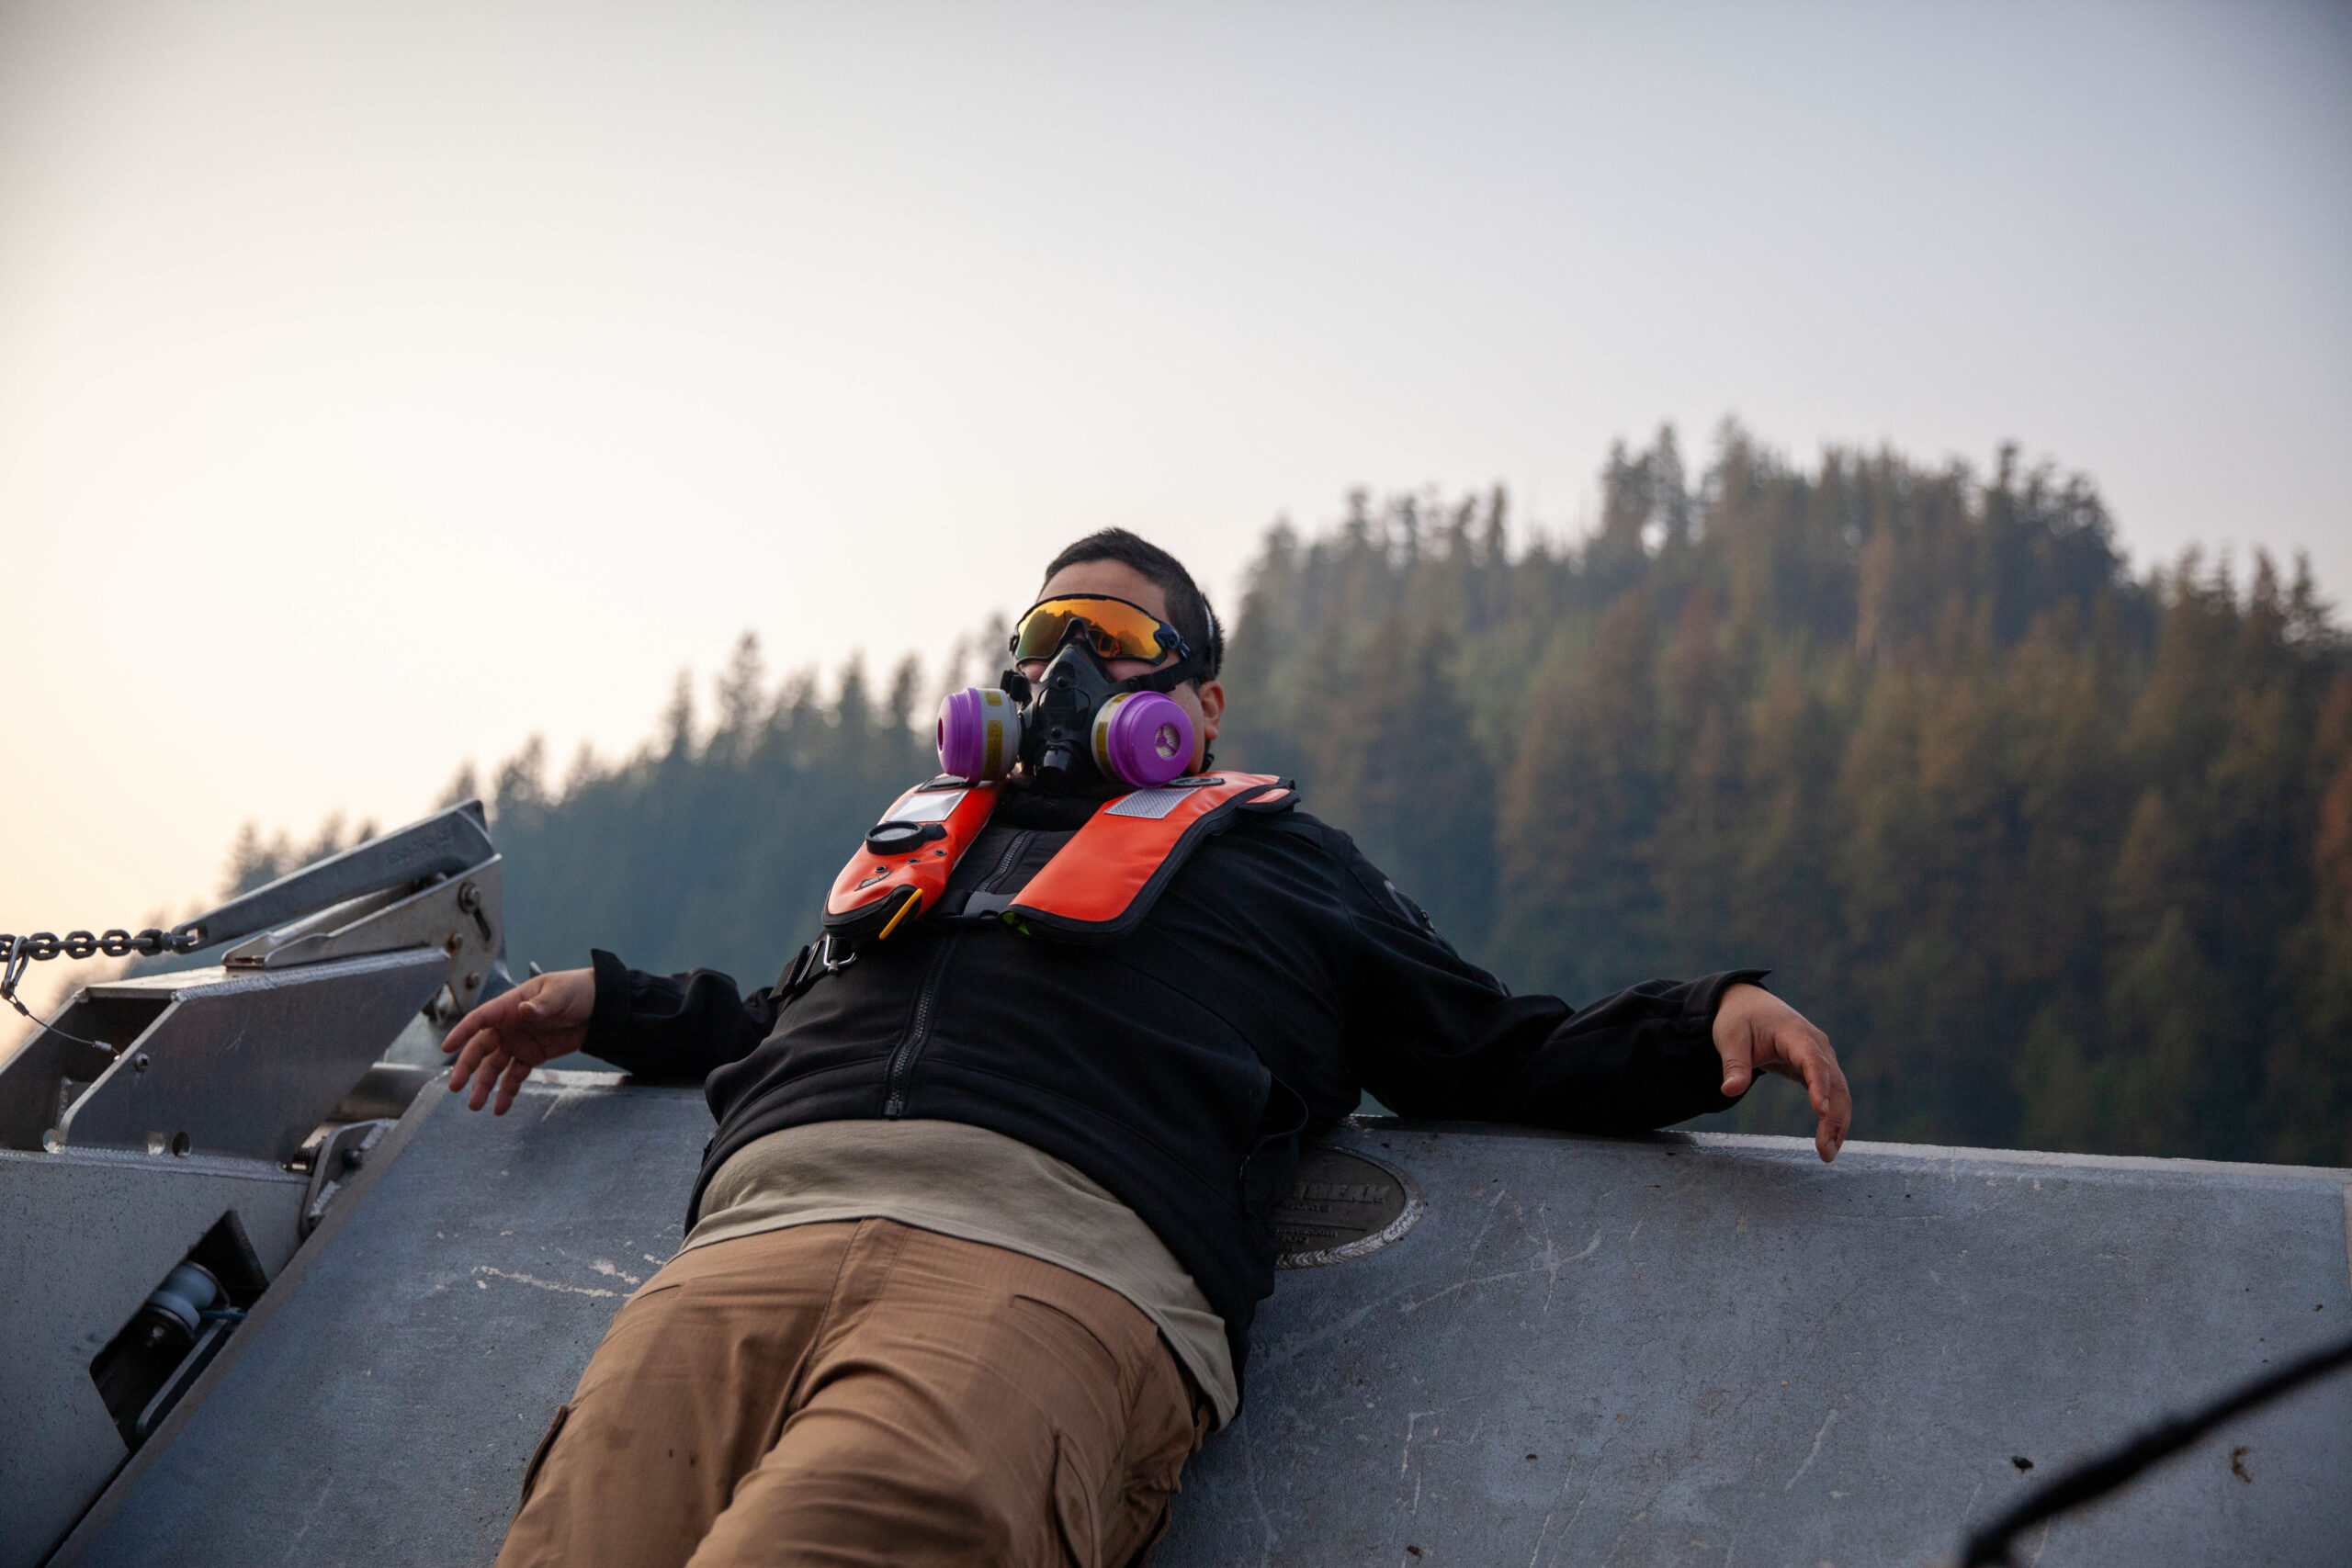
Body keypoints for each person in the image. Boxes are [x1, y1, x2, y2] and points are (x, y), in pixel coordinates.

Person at [443, 529, 1851, 1568]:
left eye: (1109, 643)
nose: (1064, 670)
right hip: (747, 1250)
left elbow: (1483, 1047)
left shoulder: (1285, 867)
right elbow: (774, 1023)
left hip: (1037, 1282)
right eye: (1047, 635)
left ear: (1201, 701)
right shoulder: (917, 843)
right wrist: (606, 1002)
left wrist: (1699, 1021)